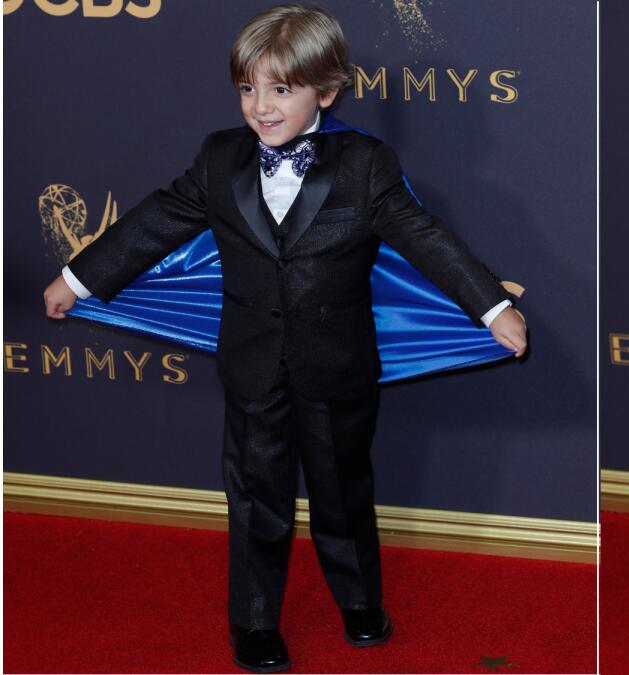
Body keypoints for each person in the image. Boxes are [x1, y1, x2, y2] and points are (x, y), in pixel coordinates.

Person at [42, 4, 528, 673]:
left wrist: (492, 305)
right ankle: (254, 620)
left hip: (338, 364)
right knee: (255, 495)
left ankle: (360, 603)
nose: (261, 108)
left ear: (325, 92)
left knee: (342, 490)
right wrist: (80, 276)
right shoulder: (219, 158)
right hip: (251, 363)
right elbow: (155, 220)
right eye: (248, 89)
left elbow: (424, 237)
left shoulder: (364, 165)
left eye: (281, 89)